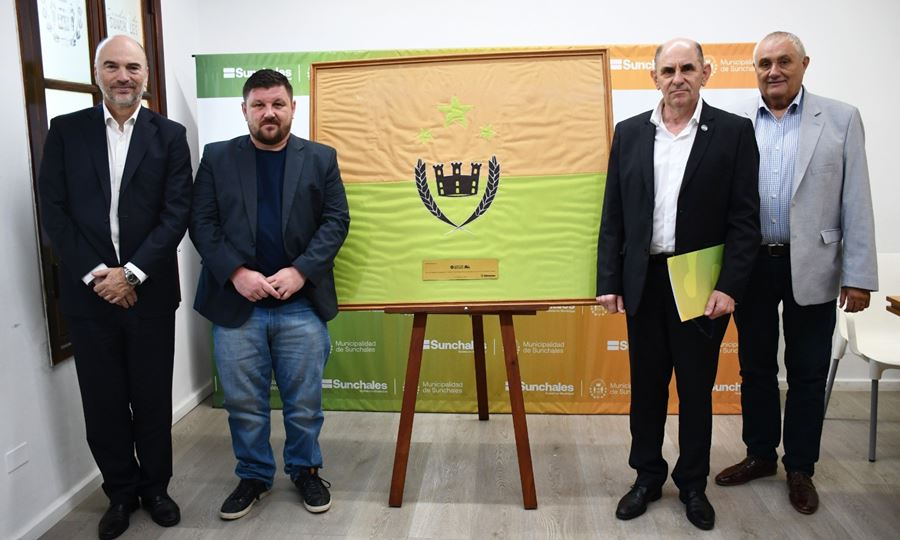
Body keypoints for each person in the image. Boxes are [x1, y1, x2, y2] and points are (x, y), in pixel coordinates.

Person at [596, 38, 760, 531]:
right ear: (654, 78)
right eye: (668, 70)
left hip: (698, 285)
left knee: (695, 389)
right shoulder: (629, 133)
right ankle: (647, 477)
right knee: (646, 388)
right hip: (644, 280)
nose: (678, 78)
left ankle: (692, 484)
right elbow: (613, 215)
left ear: (705, 73)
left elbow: (744, 220)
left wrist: (730, 286)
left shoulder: (732, 132)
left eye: (688, 68)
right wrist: (609, 279)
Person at [715, 31, 878, 515]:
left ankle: (801, 467)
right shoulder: (734, 120)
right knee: (755, 368)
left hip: (815, 264)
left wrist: (858, 275)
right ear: (755, 70)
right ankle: (761, 455)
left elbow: (857, 199)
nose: (774, 71)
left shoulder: (841, 118)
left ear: (804, 65)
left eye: (784, 61)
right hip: (750, 265)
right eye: (764, 63)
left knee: (807, 372)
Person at [37, 35, 191, 539]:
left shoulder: (169, 135)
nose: (123, 76)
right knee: (103, 403)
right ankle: (120, 494)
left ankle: (156, 489)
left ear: (146, 74)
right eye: (112, 66)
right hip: (90, 296)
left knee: (151, 398)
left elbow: (176, 213)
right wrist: (98, 274)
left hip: (150, 293)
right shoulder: (66, 131)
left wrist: (132, 273)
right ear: (97, 73)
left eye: (132, 67)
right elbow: (53, 212)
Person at [190, 69, 350, 520]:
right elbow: (201, 222)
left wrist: (301, 271)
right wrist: (236, 273)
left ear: (293, 108)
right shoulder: (217, 157)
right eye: (259, 105)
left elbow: (336, 220)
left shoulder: (320, 158)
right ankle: (254, 476)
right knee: (244, 404)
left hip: (300, 304)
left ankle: (305, 470)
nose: (269, 113)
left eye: (278, 104)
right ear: (244, 110)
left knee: (304, 403)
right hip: (237, 305)